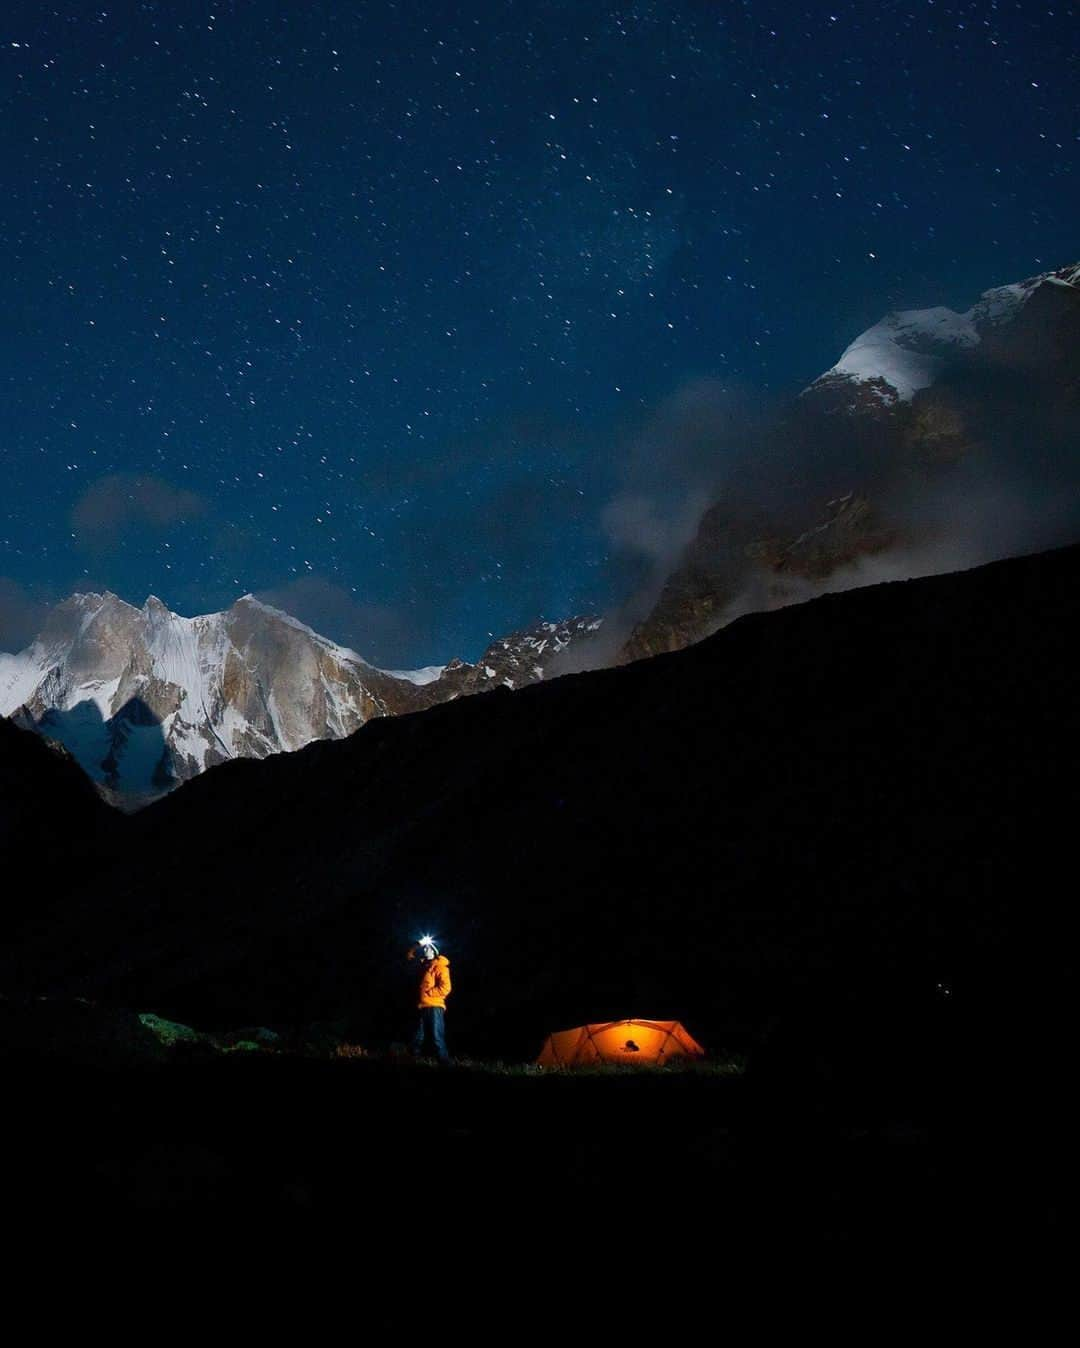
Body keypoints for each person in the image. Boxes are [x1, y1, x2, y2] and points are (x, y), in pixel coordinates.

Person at [408, 936, 452, 1062]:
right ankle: (412, 1060)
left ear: (434, 951)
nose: (425, 949)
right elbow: (409, 955)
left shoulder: (440, 967)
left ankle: (444, 1062)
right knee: (418, 1036)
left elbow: (446, 988)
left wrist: (429, 993)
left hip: (435, 1007)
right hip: (422, 1006)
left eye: (428, 948)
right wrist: (418, 944)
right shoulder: (423, 965)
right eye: (425, 947)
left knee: (436, 1037)